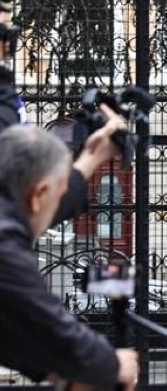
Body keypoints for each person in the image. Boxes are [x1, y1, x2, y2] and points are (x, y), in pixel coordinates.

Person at [0, 126, 139, 390]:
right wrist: (113, 365)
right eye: (58, 199)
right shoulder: (5, 241)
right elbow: (46, 323)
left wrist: (58, 374)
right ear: (39, 196)